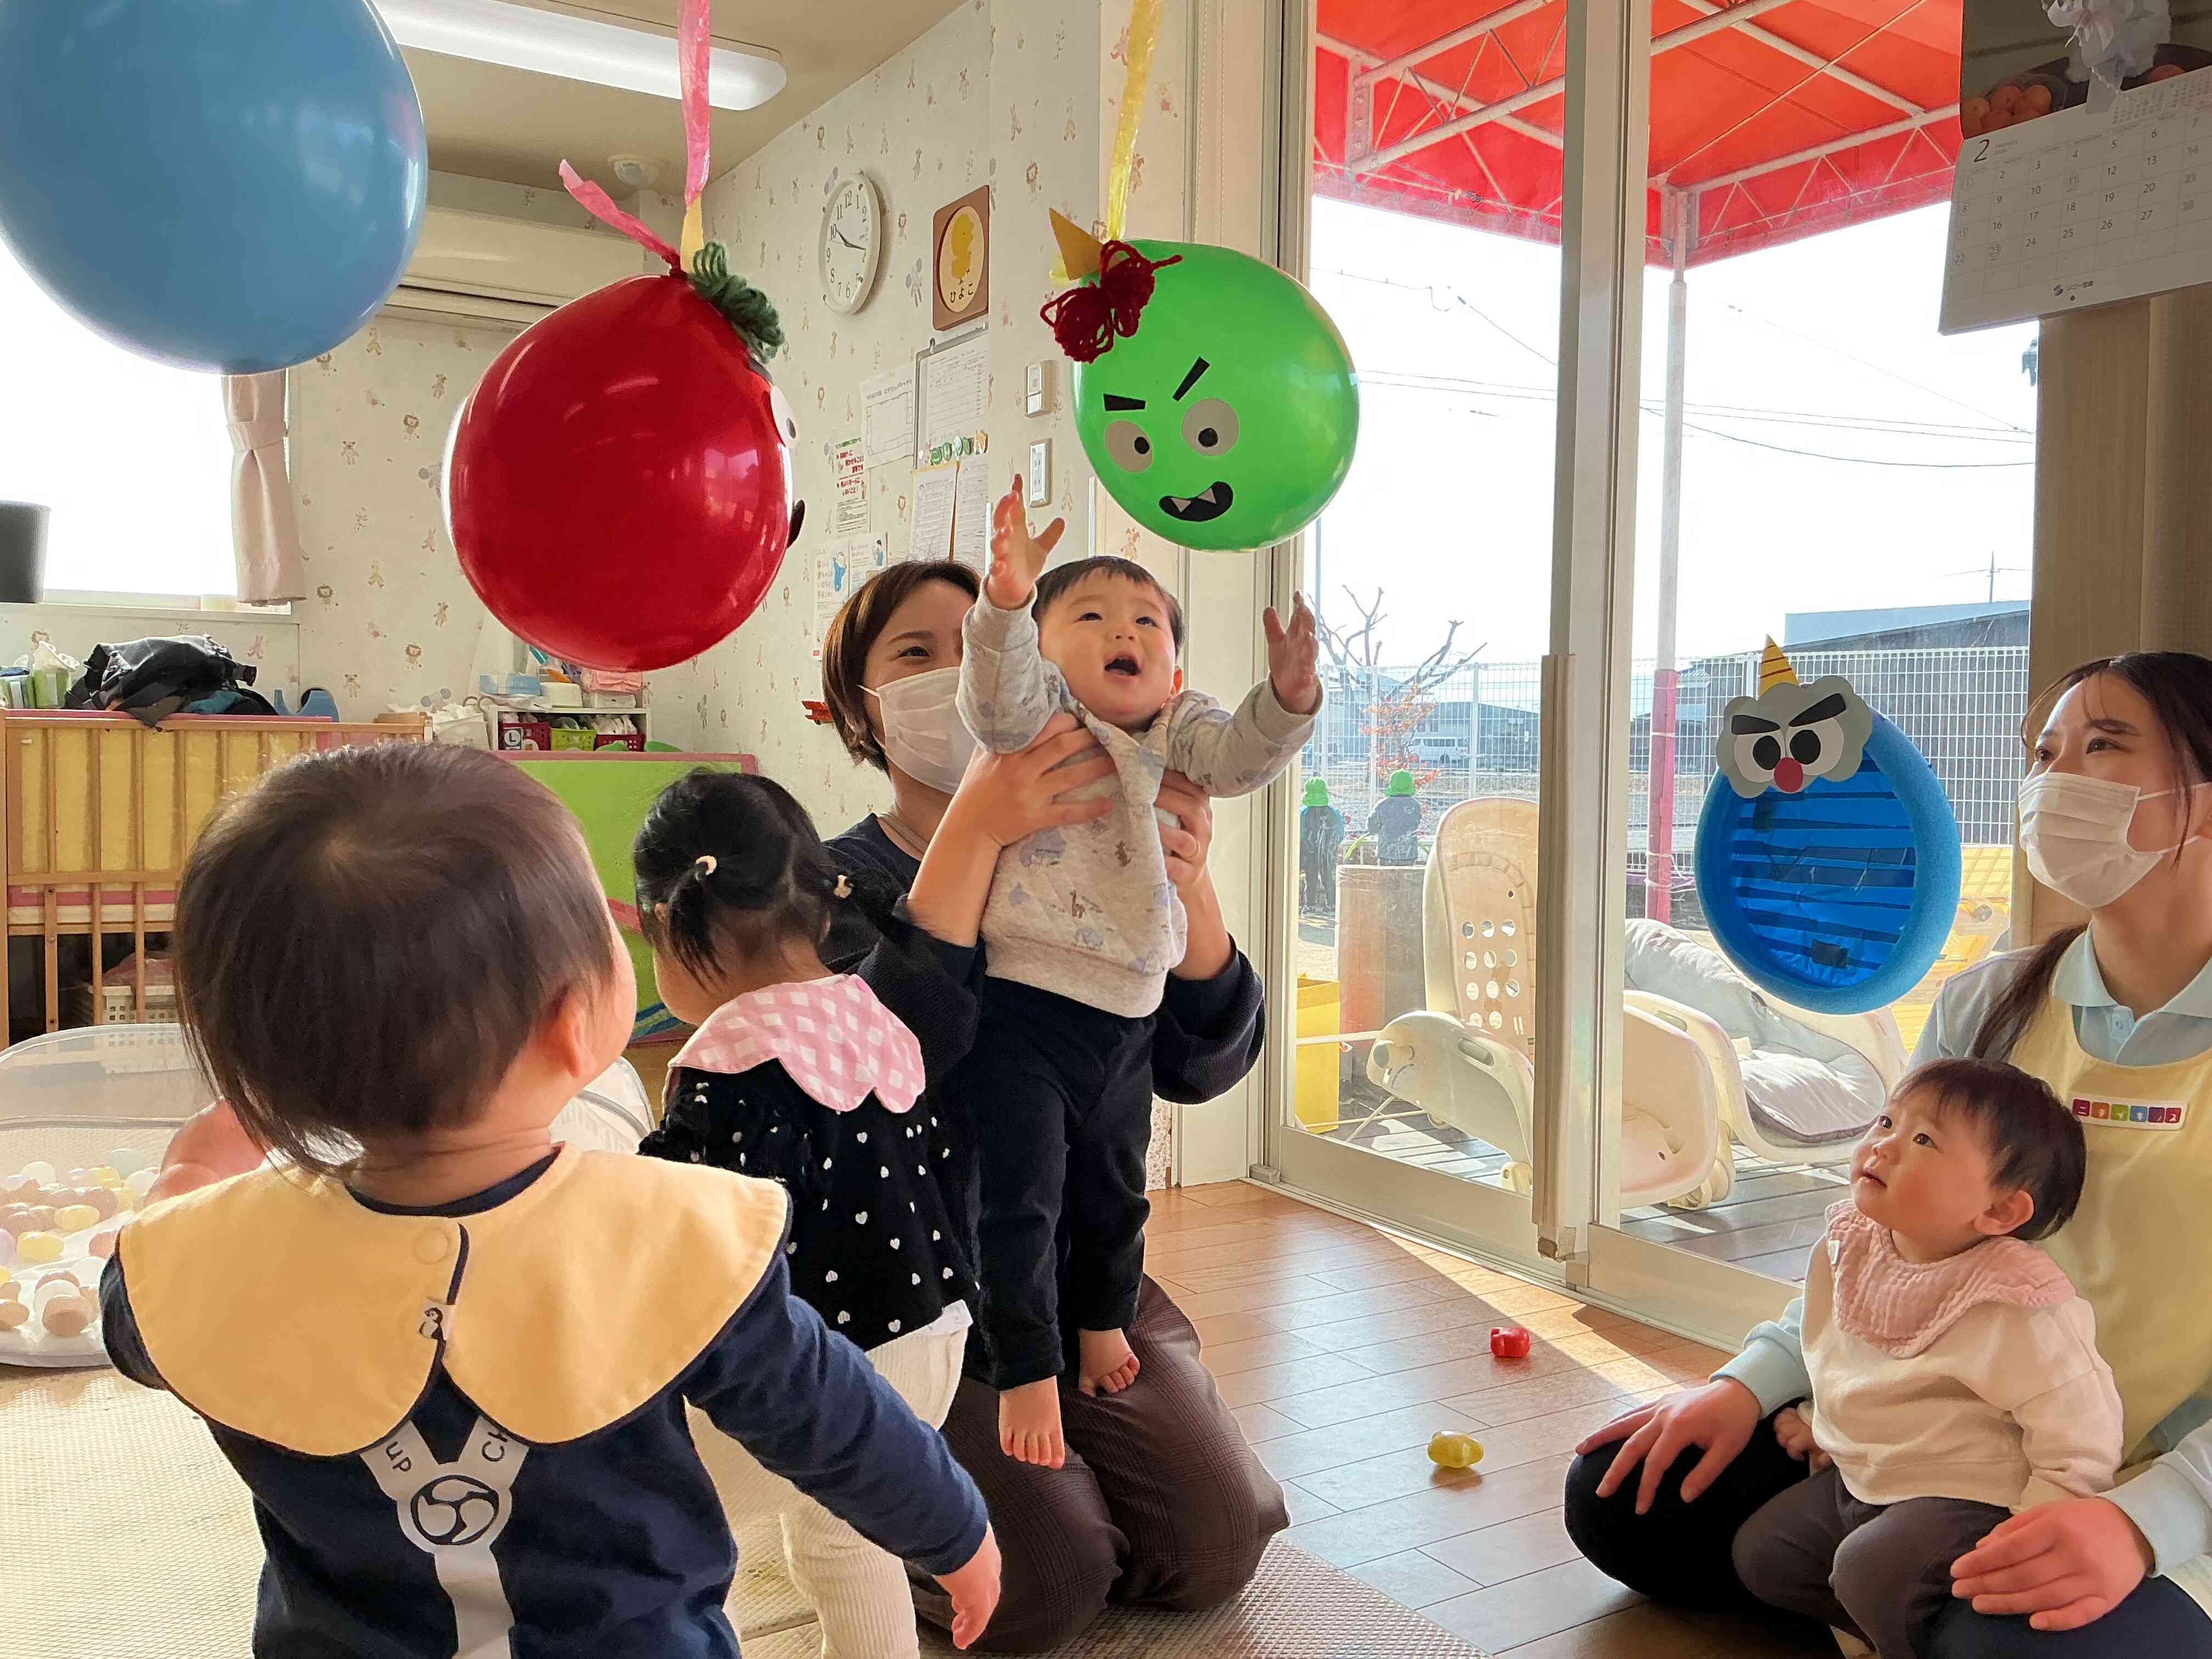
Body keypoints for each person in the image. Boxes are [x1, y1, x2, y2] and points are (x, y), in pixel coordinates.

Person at [99, 744, 1001, 1657]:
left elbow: (139, 1313)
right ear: (576, 1023)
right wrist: (955, 1530)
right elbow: (834, 1414)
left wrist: (189, 1178)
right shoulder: (673, 1228)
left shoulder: (225, 1253)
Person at [1564, 651, 2212, 1656]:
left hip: (2162, 1472)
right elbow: (1882, 1234)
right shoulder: (1989, 1005)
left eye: (2103, 745)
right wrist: (1751, 1382)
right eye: (2045, 754)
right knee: (1622, 1499)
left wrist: (2145, 1519)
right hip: (1947, 1436)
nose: (2053, 781)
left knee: (2007, 1642)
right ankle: (1899, 1583)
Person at [815, 554, 1289, 1652]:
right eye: (918, 653)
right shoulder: (832, 880)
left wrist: (1186, 883)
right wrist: (975, 831)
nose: (961, 671)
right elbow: (877, 1079)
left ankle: (1072, 1395)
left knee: (1215, 1543)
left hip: (1081, 1267)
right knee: (1046, 1581)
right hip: (922, 1286)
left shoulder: (1115, 838)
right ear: (857, 707)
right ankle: (855, 1470)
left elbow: (1200, 1065)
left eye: (985, 638)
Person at [952, 484, 1320, 1466]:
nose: (1124, 631)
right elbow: (992, 695)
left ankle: (1101, 1318)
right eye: (1090, 616)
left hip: (1128, 1010)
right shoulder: (1036, 718)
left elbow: (1237, 759)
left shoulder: (1177, 726)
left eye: (1146, 622)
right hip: (1024, 1004)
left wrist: (1287, 701)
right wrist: (1004, 603)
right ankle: (1025, 1360)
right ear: (1043, 652)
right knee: (1021, 1194)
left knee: (1116, 1188)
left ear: (1176, 668)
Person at [632, 769, 984, 1659]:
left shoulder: (728, 1060)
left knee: (646, 1510)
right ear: (820, 912)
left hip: (821, 1383)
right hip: (932, 1346)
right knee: (846, 1536)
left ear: (671, 924)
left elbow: (680, 1236)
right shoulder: (873, 1015)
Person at [1729, 1058, 2119, 1659]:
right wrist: (1821, 1422)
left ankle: (1905, 1634)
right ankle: (1890, 1629)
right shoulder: (1852, 1243)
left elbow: (2081, 1429)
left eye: (1923, 1141)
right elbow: (1838, 1354)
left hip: (1971, 1499)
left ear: (1999, 1211)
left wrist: (2037, 1531)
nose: (1883, 1145)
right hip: (1868, 1478)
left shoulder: (2018, 1301)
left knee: (1869, 1569)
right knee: (1763, 1556)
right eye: (1887, 1121)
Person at [1300, 777, 1344, 917]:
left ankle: (1310, 906)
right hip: (1328, 854)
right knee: (1328, 877)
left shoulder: (1304, 813)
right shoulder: (1333, 814)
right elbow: (1340, 833)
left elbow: (1300, 834)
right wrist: (1332, 847)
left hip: (1309, 853)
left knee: (1311, 878)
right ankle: (1331, 906)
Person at [1368, 769, 1423, 865]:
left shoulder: (1383, 805)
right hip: (1408, 853)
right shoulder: (1415, 805)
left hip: (1386, 853)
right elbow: (1416, 824)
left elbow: (1372, 826)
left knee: (1386, 875)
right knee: (1407, 874)